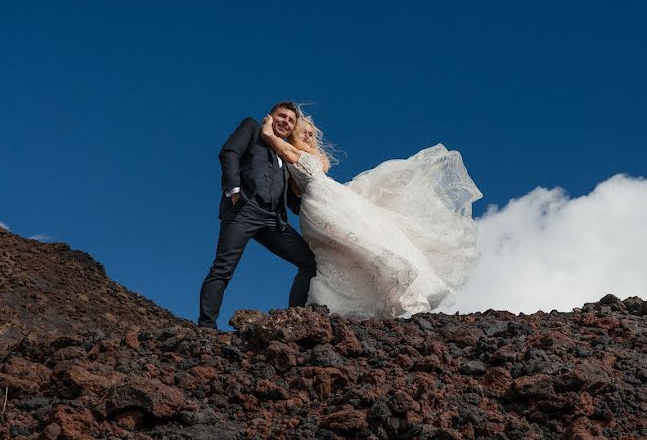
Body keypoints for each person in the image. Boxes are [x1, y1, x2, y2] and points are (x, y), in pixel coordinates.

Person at [260, 114, 482, 319]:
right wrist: (269, 121)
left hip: (334, 199)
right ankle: (324, 303)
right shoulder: (290, 151)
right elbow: (268, 136)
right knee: (353, 246)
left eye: (311, 132)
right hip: (320, 204)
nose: (308, 135)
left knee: (364, 242)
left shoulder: (307, 156)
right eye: (303, 131)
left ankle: (330, 304)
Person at [198, 102, 316, 329]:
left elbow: (289, 196)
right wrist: (234, 190)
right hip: (244, 209)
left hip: (274, 220)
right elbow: (229, 152)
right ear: (270, 117)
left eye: (291, 121)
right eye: (282, 116)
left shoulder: (283, 151)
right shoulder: (252, 127)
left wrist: (317, 212)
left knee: (309, 261)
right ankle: (206, 327)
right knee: (223, 268)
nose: (286, 122)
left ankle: (293, 322)